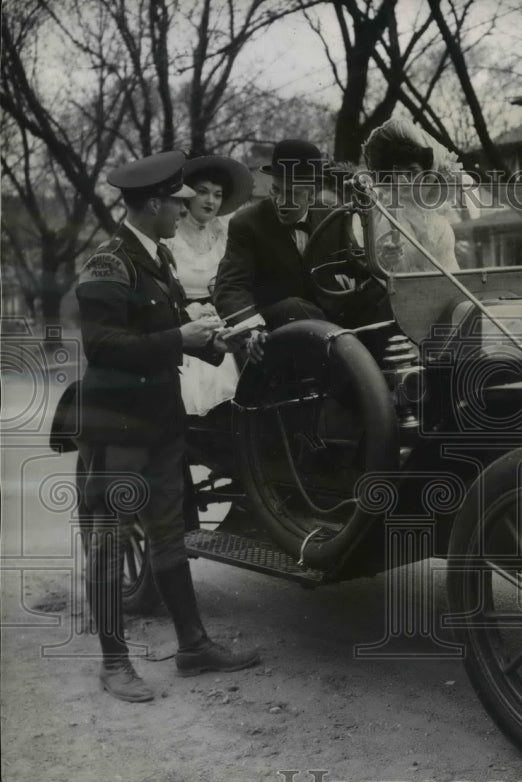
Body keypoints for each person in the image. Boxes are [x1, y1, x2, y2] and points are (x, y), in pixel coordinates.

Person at [75, 151, 259, 703]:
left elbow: (171, 328)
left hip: (159, 420)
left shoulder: (154, 255)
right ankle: (113, 663)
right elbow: (103, 346)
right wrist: (183, 339)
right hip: (118, 425)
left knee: (167, 534)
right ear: (152, 203)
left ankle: (194, 646)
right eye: (176, 203)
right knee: (109, 541)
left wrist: (216, 344)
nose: (184, 212)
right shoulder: (109, 261)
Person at [213, 139, 337, 362]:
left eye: (293, 194)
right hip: (275, 327)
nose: (281, 202)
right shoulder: (246, 223)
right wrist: (252, 329)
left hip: (331, 320)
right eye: (276, 190)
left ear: (313, 192)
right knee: (295, 306)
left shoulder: (332, 216)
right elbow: (230, 287)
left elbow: (354, 268)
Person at [162, 155, 253, 415]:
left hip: (222, 319)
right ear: (188, 195)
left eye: (217, 194)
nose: (210, 201)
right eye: (202, 192)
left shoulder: (227, 233)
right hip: (181, 320)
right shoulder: (169, 233)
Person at [362, 119, 462, 274]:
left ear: (426, 175)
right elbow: (372, 275)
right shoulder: (383, 219)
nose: (403, 180)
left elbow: (453, 274)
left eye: (412, 172)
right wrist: (383, 260)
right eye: (397, 173)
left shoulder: (440, 225)